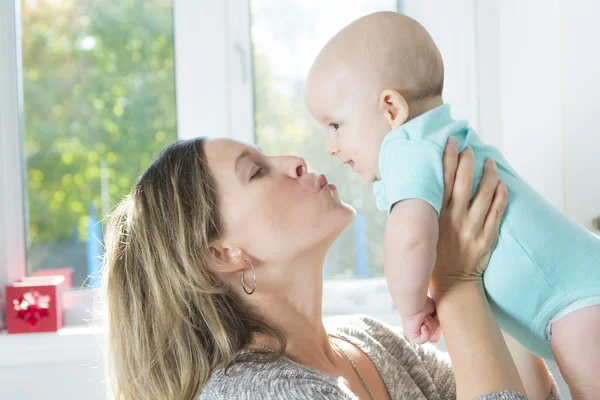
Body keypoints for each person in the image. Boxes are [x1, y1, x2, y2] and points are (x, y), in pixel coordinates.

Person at [101, 136, 558, 399]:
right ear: (222, 253)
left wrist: (494, 260)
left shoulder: (368, 339)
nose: (295, 162)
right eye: (257, 171)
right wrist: (456, 280)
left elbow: (516, 391)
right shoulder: (254, 393)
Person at [304, 11, 600, 397]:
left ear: (391, 109)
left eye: (336, 126)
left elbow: (410, 240)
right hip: (574, 298)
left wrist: (411, 307)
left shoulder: (407, 148)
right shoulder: (439, 142)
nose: (331, 146)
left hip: (577, 302)